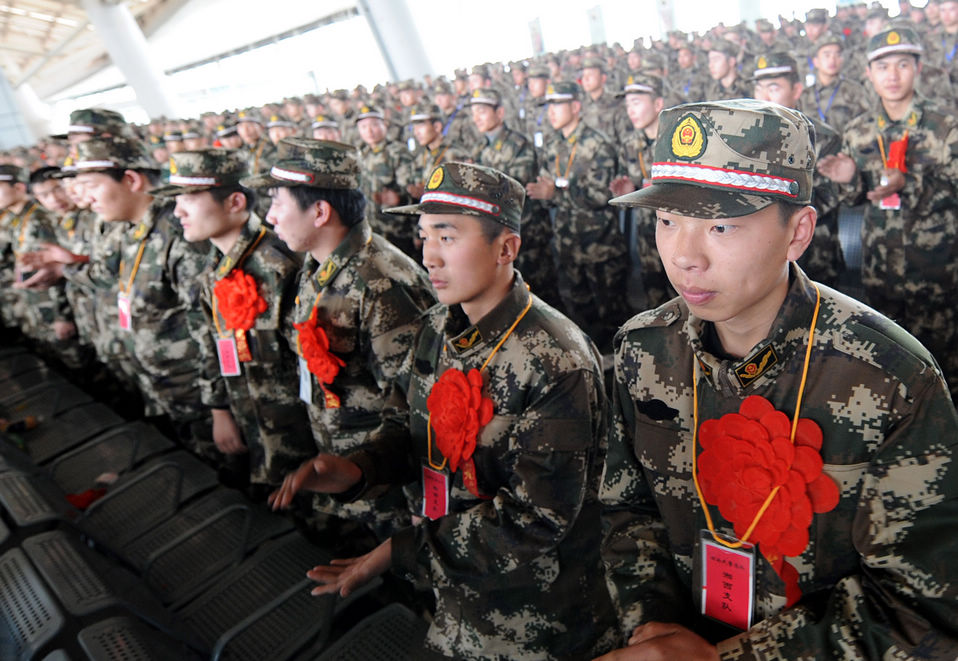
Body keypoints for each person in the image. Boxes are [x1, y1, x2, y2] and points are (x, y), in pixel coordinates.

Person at [599, 98, 958, 660]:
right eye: (667, 221)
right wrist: (651, 628)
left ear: (798, 232)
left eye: (720, 225)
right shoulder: (643, 349)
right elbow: (626, 510)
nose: (684, 256)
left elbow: (922, 610)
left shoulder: (890, 378)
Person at [269, 161, 616, 660]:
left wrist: (401, 550)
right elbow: (404, 426)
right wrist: (358, 468)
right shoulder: (437, 327)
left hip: (537, 618)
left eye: (447, 237)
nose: (428, 256)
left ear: (506, 248)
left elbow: (536, 516)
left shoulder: (555, 359)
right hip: (458, 593)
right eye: (423, 235)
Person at [248, 138, 436, 547]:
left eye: (278, 203)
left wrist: (421, 500)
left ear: (319, 211)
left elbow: (416, 404)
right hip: (350, 470)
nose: (269, 216)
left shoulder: (381, 284)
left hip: (391, 484)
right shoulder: (318, 266)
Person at [151, 148, 314, 498]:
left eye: (190, 199)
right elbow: (218, 344)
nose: (177, 211)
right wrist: (220, 409)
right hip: (255, 424)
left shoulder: (279, 267)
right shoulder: (215, 268)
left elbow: (316, 368)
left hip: (305, 440)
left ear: (235, 202)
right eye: (176, 199)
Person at [818, 26, 958, 398]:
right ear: (869, 73)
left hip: (936, 267)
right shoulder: (860, 131)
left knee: (945, 363)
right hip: (881, 268)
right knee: (891, 362)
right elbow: (850, 199)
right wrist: (849, 179)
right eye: (882, 67)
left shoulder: (945, 126)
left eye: (902, 65)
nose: (892, 76)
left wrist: (908, 182)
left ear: (919, 67)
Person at [526, 81, 630, 351]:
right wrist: (551, 195)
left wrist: (557, 195)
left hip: (600, 247)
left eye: (558, 104)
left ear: (575, 106)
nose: (552, 111)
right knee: (581, 313)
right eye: (549, 105)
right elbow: (548, 188)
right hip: (569, 245)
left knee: (613, 318)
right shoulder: (552, 146)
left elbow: (600, 196)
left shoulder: (597, 144)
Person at [751, 52, 846, 288]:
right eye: (759, 89)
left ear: (796, 91)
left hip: (813, 252)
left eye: (773, 87)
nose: (764, 96)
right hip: (761, 251)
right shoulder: (748, 139)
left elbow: (829, 196)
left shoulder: (823, 138)